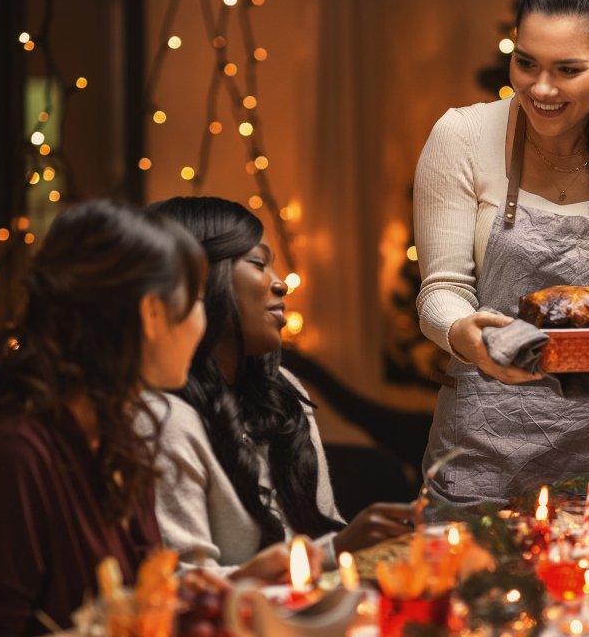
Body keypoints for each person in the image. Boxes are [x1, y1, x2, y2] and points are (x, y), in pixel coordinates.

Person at [413, 0, 589, 508]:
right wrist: (466, 336)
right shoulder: (463, 137)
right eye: (526, 62)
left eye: (568, 70)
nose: (541, 88)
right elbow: (441, 292)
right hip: (481, 453)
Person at [0, 202, 208, 635]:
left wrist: (241, 587)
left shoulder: (118, 436)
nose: (202, 320)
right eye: (196, 300)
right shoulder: (16, 455)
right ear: (151, 314)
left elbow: (136, 608)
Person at [143, 196, 417, 579]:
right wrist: (334, 552)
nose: (280, 283)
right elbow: (183, 586)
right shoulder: (162, 418)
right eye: (257, 263)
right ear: (198, 282)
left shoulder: (283, 390)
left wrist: (345, 546)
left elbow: (317, 541)